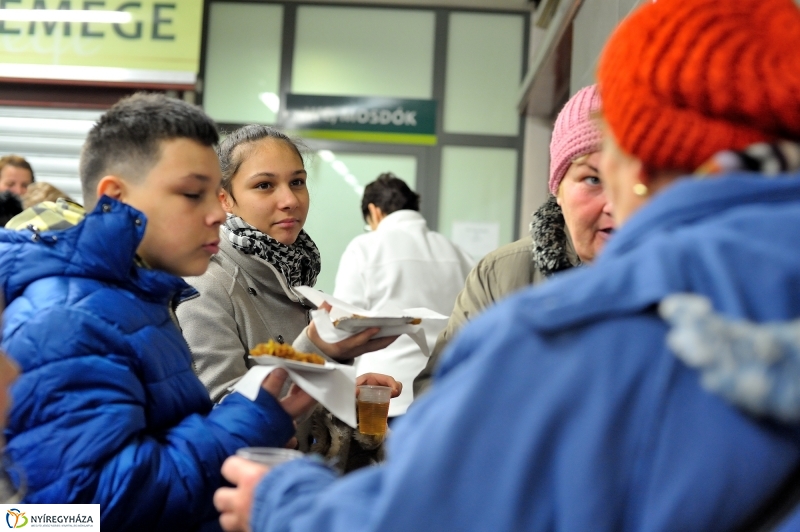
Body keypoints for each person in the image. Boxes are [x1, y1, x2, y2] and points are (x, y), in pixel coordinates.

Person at [212, 0, 800, 530]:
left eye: (296, 182)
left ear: (637, 159)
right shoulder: (504, 277)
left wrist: (285, 501)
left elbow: (428, 509)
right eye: (584, 178)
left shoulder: (560, 335)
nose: (288, 200)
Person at [0, 93, 318, 531]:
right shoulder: (66, 319)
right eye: (192, 194)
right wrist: (252, 418)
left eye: (214, 195)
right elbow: (67, 515)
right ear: (117, 197)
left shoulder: (143, 298)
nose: (215, 215)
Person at [414, 84, 612, 397]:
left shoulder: (685, 282)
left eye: (636, 180)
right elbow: (440, 394)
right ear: (558, 188)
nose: (614, 203)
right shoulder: (503, 276)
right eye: (592, 179)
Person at [332, 173, 473, 418]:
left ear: (375, 212)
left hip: (382, 395)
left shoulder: (365, 248)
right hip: (443, 395)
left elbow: (342, 326)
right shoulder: (457, 253)